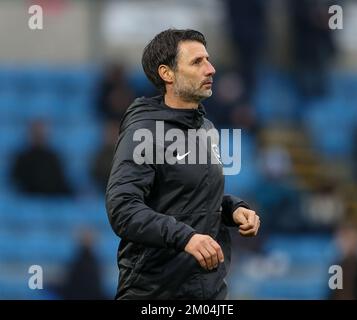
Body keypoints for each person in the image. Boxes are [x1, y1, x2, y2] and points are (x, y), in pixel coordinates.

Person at [105, 29, 260, 300]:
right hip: (154, 293)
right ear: (167, 74)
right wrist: (186, 238)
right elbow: (123, 208)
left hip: (206, 291)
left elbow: (185, 196)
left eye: (208, 60)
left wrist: (232, 209)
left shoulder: (206, 129)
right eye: (197, 62)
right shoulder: (144, 131)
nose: (211, 69)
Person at [11, 120, 72, 196]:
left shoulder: (52, 157)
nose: (39, 136)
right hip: (29, 198)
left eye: (41, 133)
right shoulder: (22, 158)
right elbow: (17, 180)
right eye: (36, 133)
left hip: (51, 197)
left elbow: (61, 181)